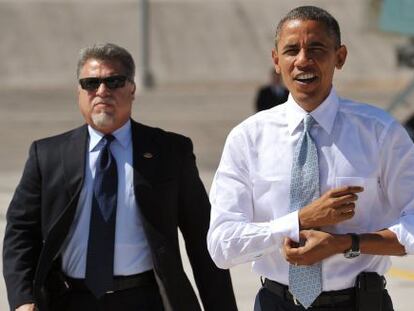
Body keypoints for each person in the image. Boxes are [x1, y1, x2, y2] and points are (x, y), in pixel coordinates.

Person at [207, 6, 414, 311]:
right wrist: (299, 221)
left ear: (340, 57)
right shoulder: (248, 139)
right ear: (276, 61)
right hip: (277, 303)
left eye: (316, 48)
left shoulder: (380, 133)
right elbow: (222, 245)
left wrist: (348, 243)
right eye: (291, 50)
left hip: (360, 303)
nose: (303, 60)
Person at [3, 43, 238, 311]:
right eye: (91, 83)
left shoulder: (170, 152)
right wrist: (23, 299)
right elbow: (20, 233)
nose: (102, 91)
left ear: (132, 89)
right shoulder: (46, 155)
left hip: (146, 300)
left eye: (114, 81)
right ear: (79, 92)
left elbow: (202, 240)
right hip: (69, 300)